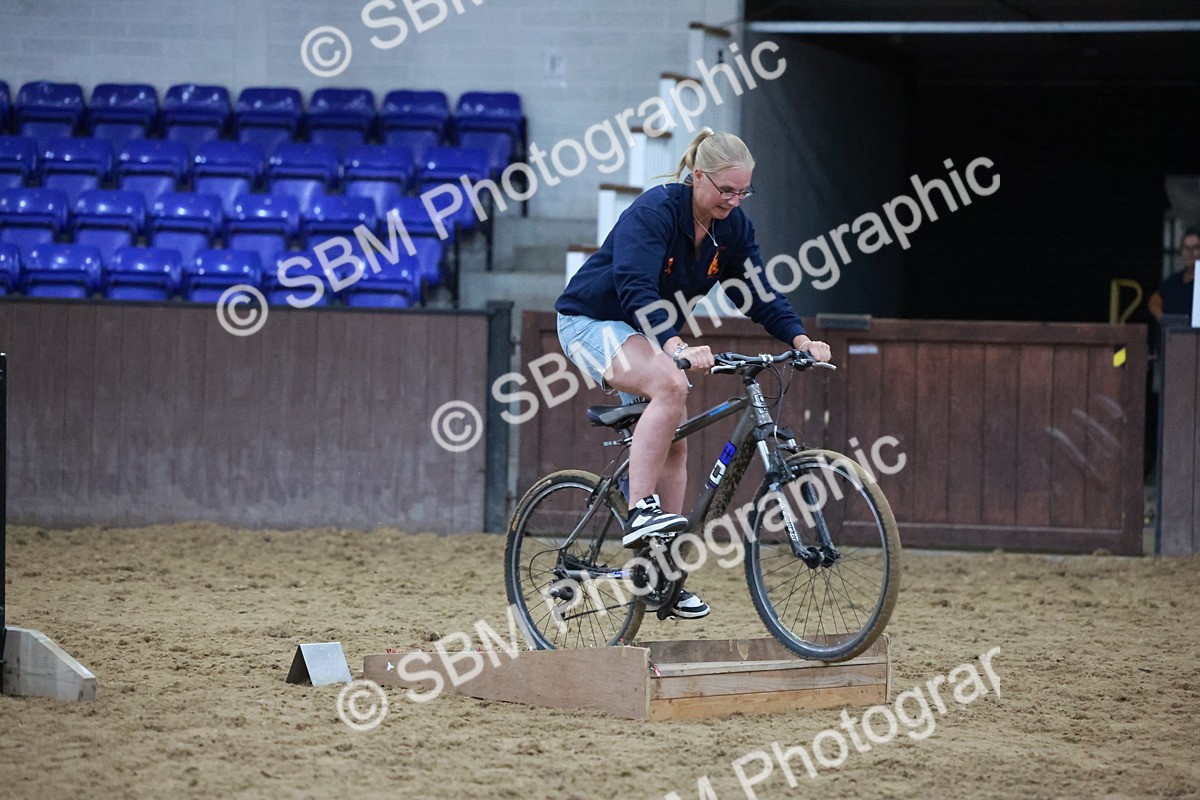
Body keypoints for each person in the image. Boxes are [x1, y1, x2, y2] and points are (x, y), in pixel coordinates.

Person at [555, 128, 831, 620]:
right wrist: (676, 344)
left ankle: (664, 571)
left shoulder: (733, 229)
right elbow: (636, 287)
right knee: (670, 383)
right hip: (590, 322)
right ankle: (640, 509)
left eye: (743, 192)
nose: (734, 200)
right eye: (726, 190)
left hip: (645, 335)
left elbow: (760, 294)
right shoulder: (656, 210)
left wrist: (799, 339)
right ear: (698, 177)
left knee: (675, 434)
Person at [1148, 226, 1199, 322]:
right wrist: (1160, 316)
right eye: (1186, 248)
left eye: (1195, 248)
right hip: (1172, 334)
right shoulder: (1174, 280)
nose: (1190, 253)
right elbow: (1156, 299)